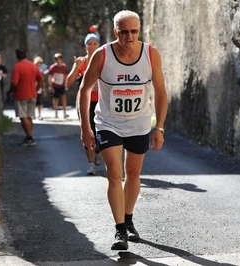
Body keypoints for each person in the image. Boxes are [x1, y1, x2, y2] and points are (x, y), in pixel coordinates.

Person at [78, 10, 168, 250]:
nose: (129, 36)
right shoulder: (102, 55)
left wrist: (159, 126)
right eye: (124, 31)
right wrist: (85, 126)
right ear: (115, 31)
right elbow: (84, 90)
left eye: (134, 31)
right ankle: (119, 231)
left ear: (139, 30)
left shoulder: (151, 54)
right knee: (114, 173)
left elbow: (160, 92)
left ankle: (128, 219)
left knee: (133, 173)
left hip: (139, 124)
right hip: (108, 124)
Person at [66, 33, 102, 175]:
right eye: (89, 44)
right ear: (85, 46)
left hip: (101, 101)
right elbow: (68, 82)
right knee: (87, 131)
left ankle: (98, 150)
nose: (92, 47)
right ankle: (91, 164)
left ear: (98, 45)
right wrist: (76, 67)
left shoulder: (104, 60)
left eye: (95, 44)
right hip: (84, 102)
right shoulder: (81, 62)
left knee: (100, 132)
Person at [7, 48, 44, 146]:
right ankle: (29, 137)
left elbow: (14, 82)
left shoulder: (17, 67)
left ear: (16, 56)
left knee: (23, 117)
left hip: (20, 95)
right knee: (29, 116)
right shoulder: (33, 66)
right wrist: (36, 89)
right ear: (27, 55)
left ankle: (30, 137)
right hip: (32, 94)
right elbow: (41, 79)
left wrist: (10, 91)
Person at [49, 53, 68, 118]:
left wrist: (66, 84)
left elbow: (65, 76)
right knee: (55, 99)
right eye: (56, 59)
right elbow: (50, 77)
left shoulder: (64, 67)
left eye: (59, 59)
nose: (58, 60)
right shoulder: (52, 67)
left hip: (62, 85)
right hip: (55, 85)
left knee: (64, 98)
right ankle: (56, 112)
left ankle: (65, 112)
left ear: (61, 59)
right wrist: (51, 87)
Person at [33, 56, 48, 120]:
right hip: (32, 88)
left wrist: (44, 89)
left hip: (38, 89)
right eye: (37, 65)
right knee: (32, 102)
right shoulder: (32, 71)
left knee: (39, 102)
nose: (38, 66)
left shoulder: (41, 72)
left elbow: (43, 81)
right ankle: (33, 114)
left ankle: (39, 114)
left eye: (39, 65)